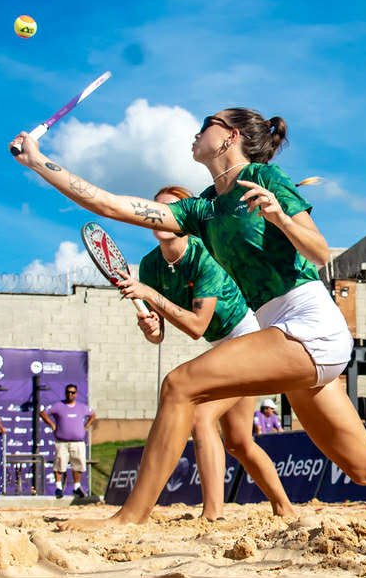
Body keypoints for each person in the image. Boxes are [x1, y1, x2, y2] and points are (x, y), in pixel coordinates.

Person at [10, 107, 366, 527]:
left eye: (205, 124)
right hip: (284, 331)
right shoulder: (204, 208)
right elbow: (111, 205)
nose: (196, 132)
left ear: (229, 136)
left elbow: (318, 252)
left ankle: (128, 519)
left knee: (180, 385)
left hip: (310, 322)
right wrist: (38, 161)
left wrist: (279, 216)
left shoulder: (265, 179)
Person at [117, 184, 294, 520]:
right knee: (239, 442)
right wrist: (151, 329)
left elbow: (197, 326)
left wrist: (150, 296)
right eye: (156, 209)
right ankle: (285, 508)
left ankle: (212, 514)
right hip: (223, 347)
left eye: (170, 210)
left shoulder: (204, 256)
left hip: (249, 339)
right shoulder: (150, 266)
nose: (160, 215)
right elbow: (159, 334)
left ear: (184, 218)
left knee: (200, 416)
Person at [40, 384, 96, 499]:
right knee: (60, 463)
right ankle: (58, 488)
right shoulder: (58, 406)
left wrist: (86, 426)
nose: (70, 394)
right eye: (68, 392)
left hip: (78, 442)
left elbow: (93, 415)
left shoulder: (82, 407)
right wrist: (52, 424)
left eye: (73, 392)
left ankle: (77, 487)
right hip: (62, 442)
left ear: (76, 394)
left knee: (78, 464)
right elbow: (43, 413)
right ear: (65, 393)